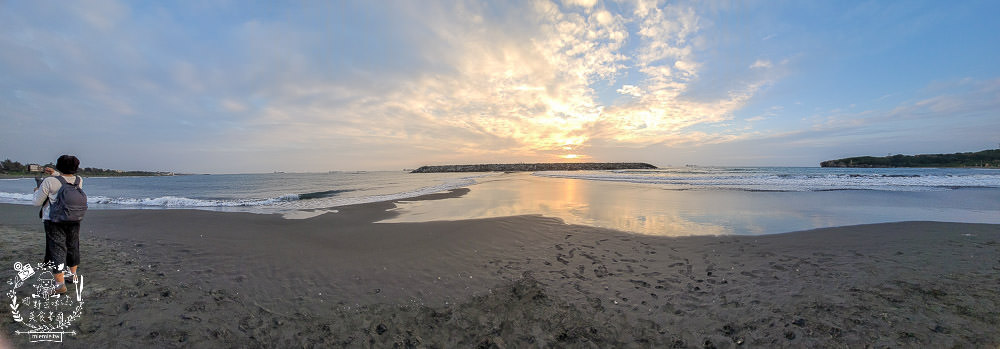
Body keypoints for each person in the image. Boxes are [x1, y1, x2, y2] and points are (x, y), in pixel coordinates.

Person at [32, 155, 82, 295]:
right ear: (76, 168)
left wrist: (36, 192)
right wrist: (54, 173)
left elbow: (36, 202)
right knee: (73, 246)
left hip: (53, 220)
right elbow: (64, 181)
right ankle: (73, 275)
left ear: (58, 166)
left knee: (57, 249)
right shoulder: (78, 180)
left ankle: (60, 285)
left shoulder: (49, 181)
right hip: (74, 218)